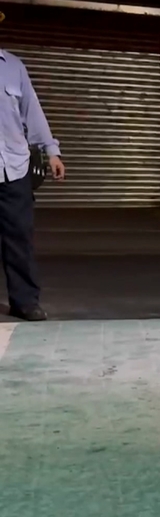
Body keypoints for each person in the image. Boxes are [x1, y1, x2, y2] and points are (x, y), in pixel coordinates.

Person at [0, 19, 66, 322]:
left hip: (14, 167)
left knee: (19, 237)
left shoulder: (14, 67)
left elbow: (32, 111)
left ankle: (25, 301)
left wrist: (51, 151)